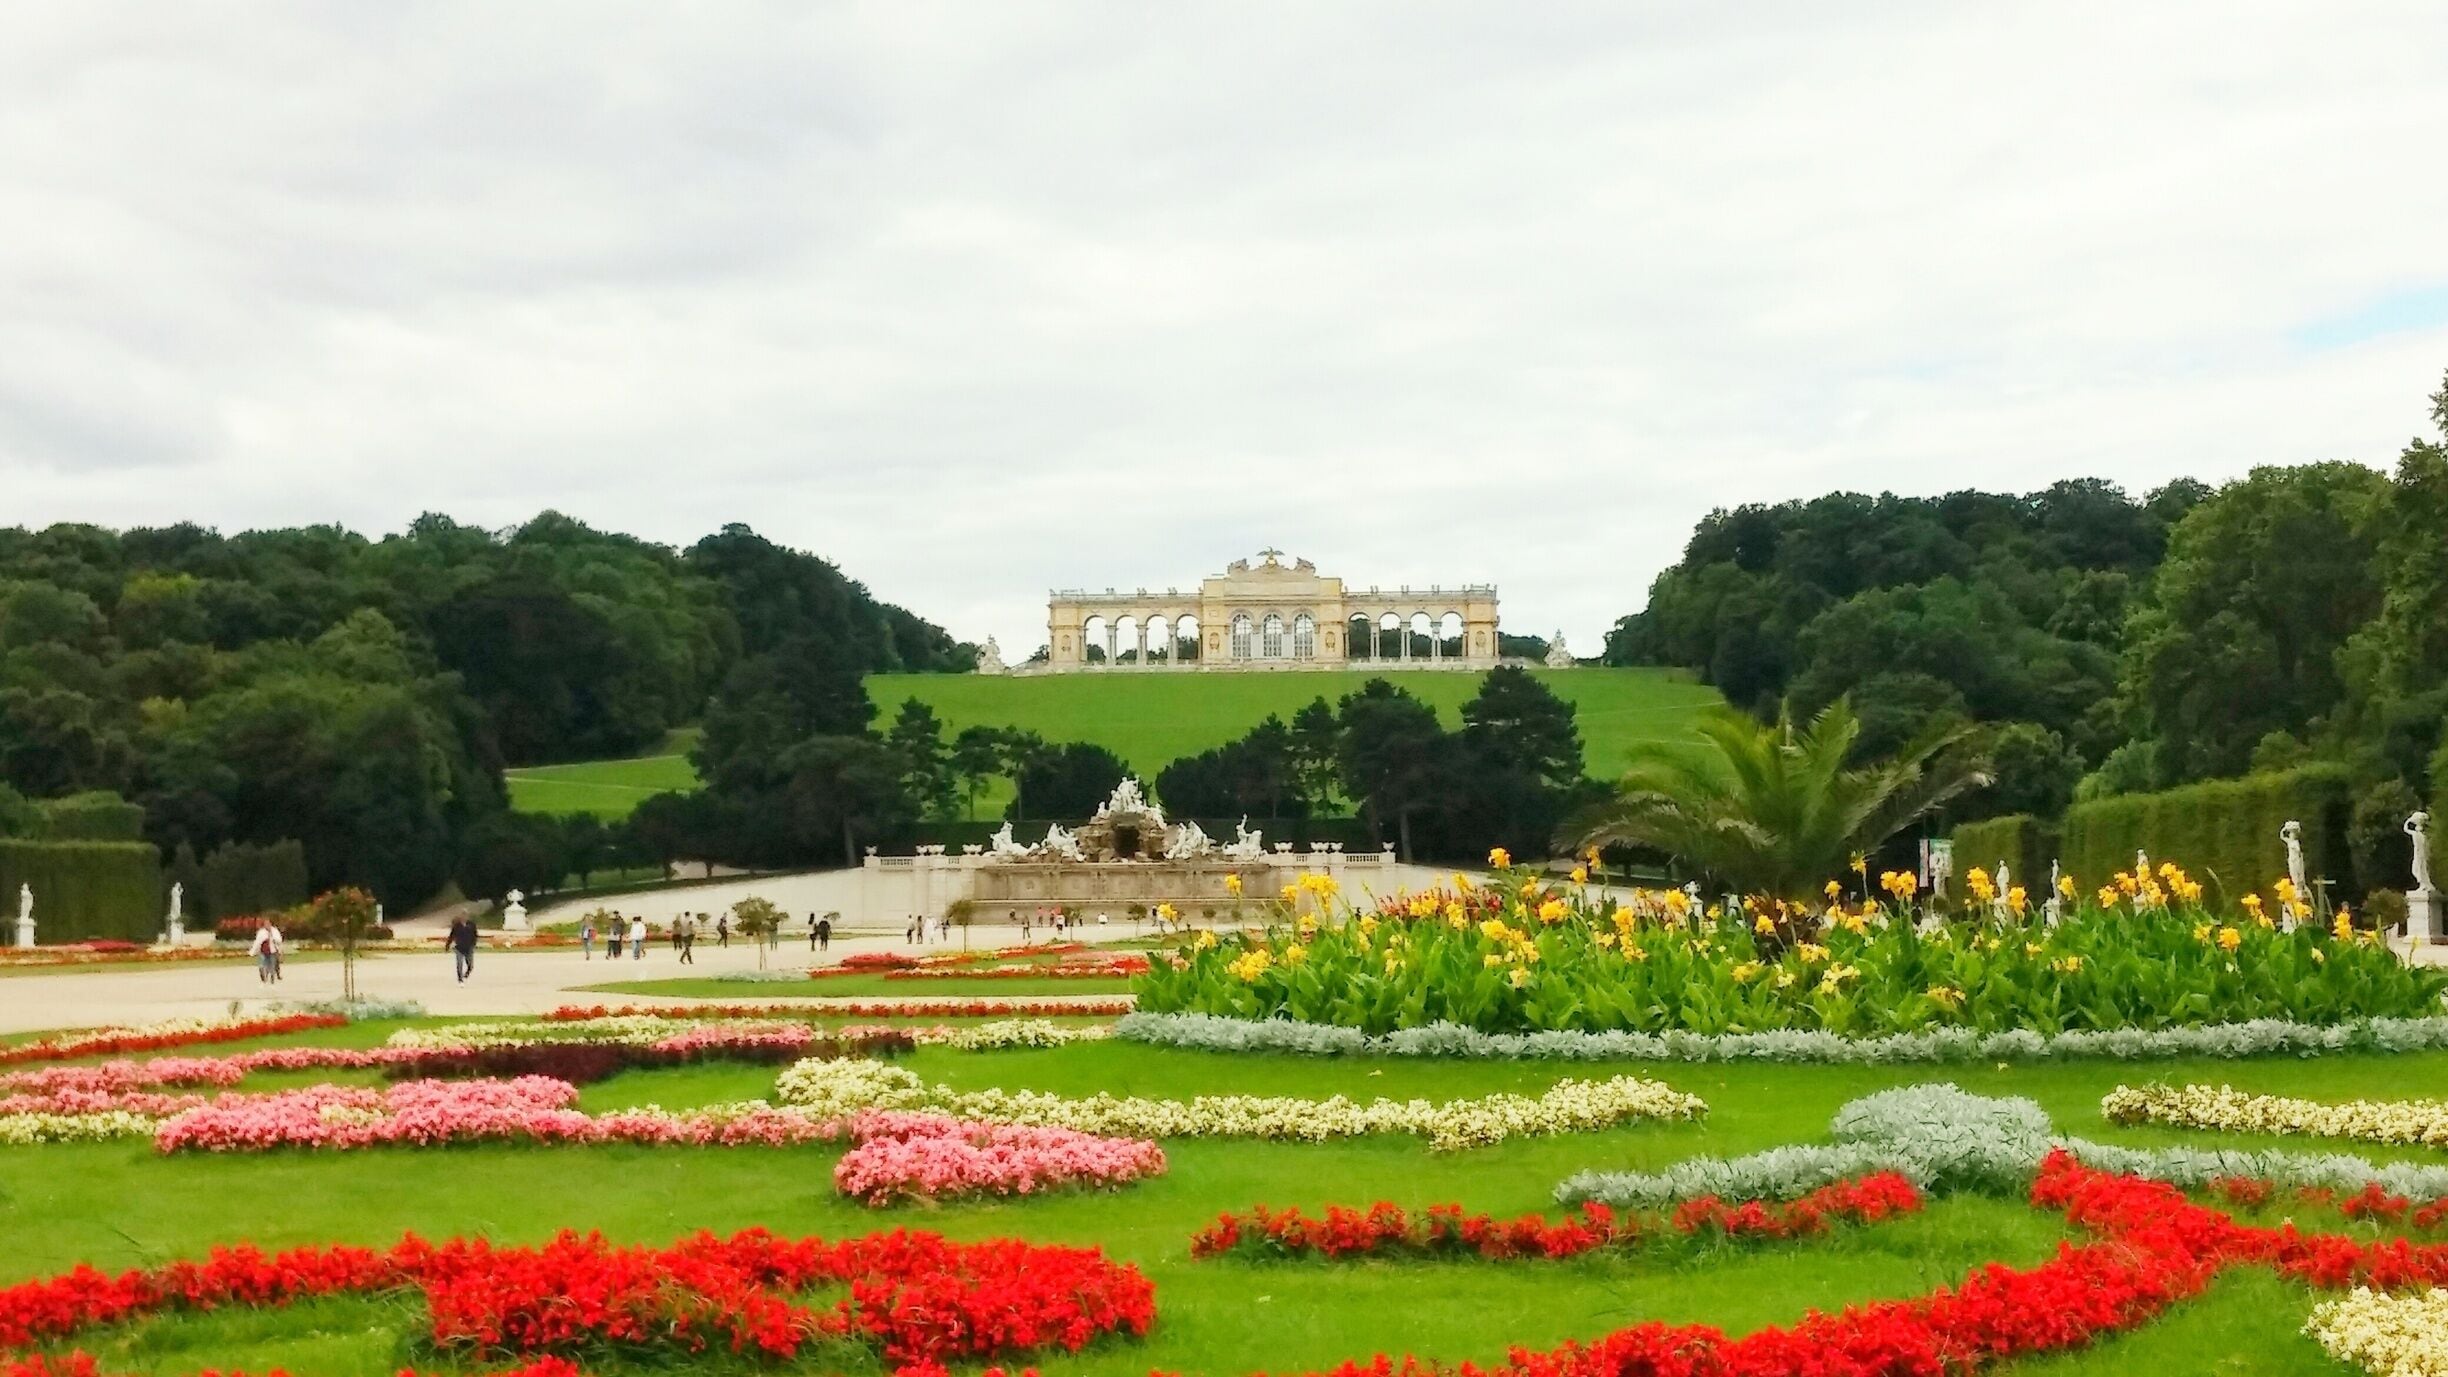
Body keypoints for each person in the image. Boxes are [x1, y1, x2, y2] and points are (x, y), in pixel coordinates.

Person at [448, 916, 477, 983]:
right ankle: (460, 979)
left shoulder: (471, 925)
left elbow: (475, 934)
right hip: (459, 948)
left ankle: (467, 973)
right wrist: (448, 945)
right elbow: (451, 935)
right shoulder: (457, 926)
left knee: (470, 965)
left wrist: (474, 944)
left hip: (469, 947)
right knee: (459, 964)